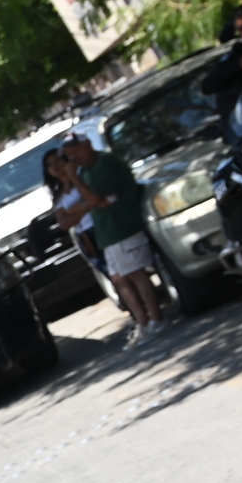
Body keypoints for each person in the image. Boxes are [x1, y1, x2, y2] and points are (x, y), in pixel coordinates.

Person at [60, 133, 165, 344]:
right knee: (118, 278)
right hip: (107, 232)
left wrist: (76, 181)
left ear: (87, 144)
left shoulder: (104, 162)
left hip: (122, 226)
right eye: (70, 155)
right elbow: (89, 202)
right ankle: (143, 321)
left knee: (135, 272)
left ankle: (157, 319)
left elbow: (94, 197)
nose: (74, 158)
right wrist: (91, 200)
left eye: (77, 151)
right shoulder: (86, 171)